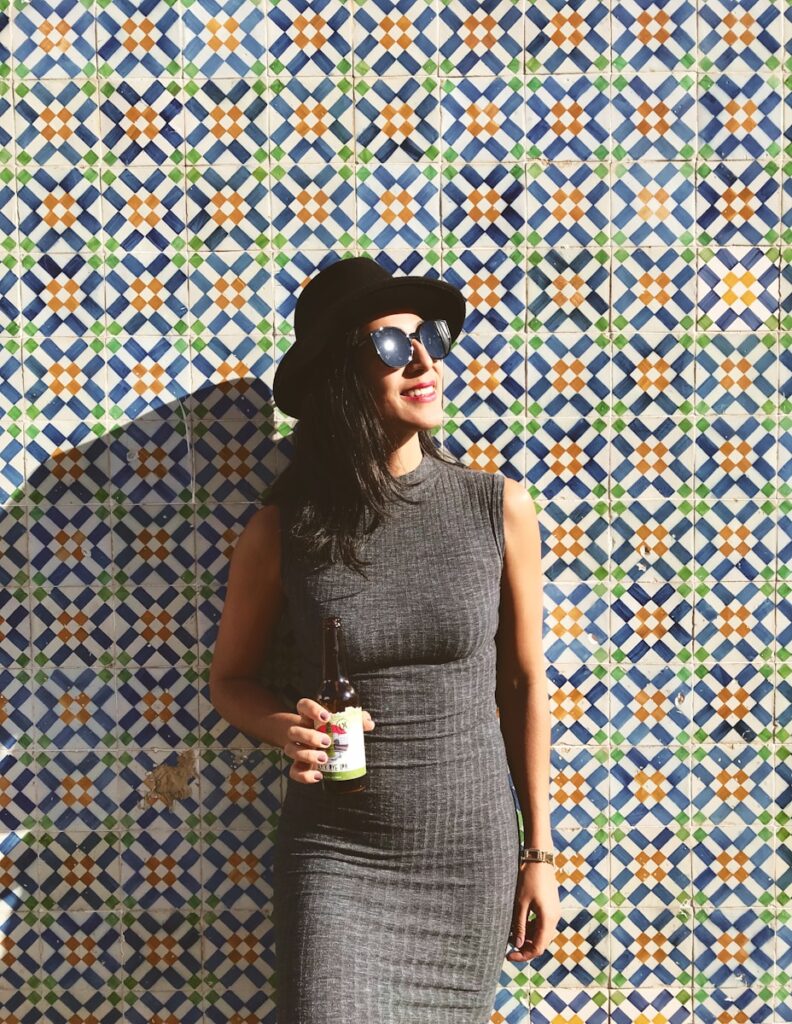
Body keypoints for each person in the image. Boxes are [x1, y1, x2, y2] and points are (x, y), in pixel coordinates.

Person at [209, 255, 560, 1023]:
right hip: (339, 858)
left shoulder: (497, 507)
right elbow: (230, 679)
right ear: (342, 374)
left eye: (428, 338)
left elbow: (526, 684)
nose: (426, 360)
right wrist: (288, 730)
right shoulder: (284, 529)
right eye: (393, 346)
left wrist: (539, 855)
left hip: (469, 859)